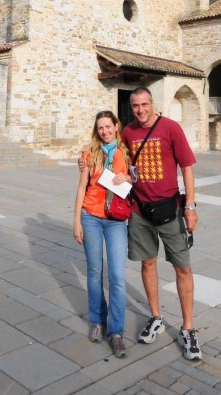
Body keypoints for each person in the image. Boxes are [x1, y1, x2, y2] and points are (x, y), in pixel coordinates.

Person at [79, 87, 201, 360]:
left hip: (170, 209)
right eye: (135, 105)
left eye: (144, 104)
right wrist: (84, 157)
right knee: (147, 263)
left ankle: (188, 328)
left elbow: (187, 168)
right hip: (139, 211)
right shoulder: (129, 133)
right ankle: (156, 316)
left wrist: (190, 206)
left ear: (152, 103)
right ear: (131, 107)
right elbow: (105, 143)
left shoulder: (170, 128)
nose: (140, 109)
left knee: (183, 268)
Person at [72, 110, 132, 358]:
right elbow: (81, 187)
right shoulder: (90, 154)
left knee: (117, 276)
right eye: (101, 128)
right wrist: (76, 220)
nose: (105, 131)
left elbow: (136, 177)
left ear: (117, 126)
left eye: (109, 126)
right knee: (94, 272)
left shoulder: (126, 152)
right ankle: (97, 320)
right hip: (91, 217)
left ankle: (116, 331)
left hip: (116, 220)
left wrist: (127, 175)